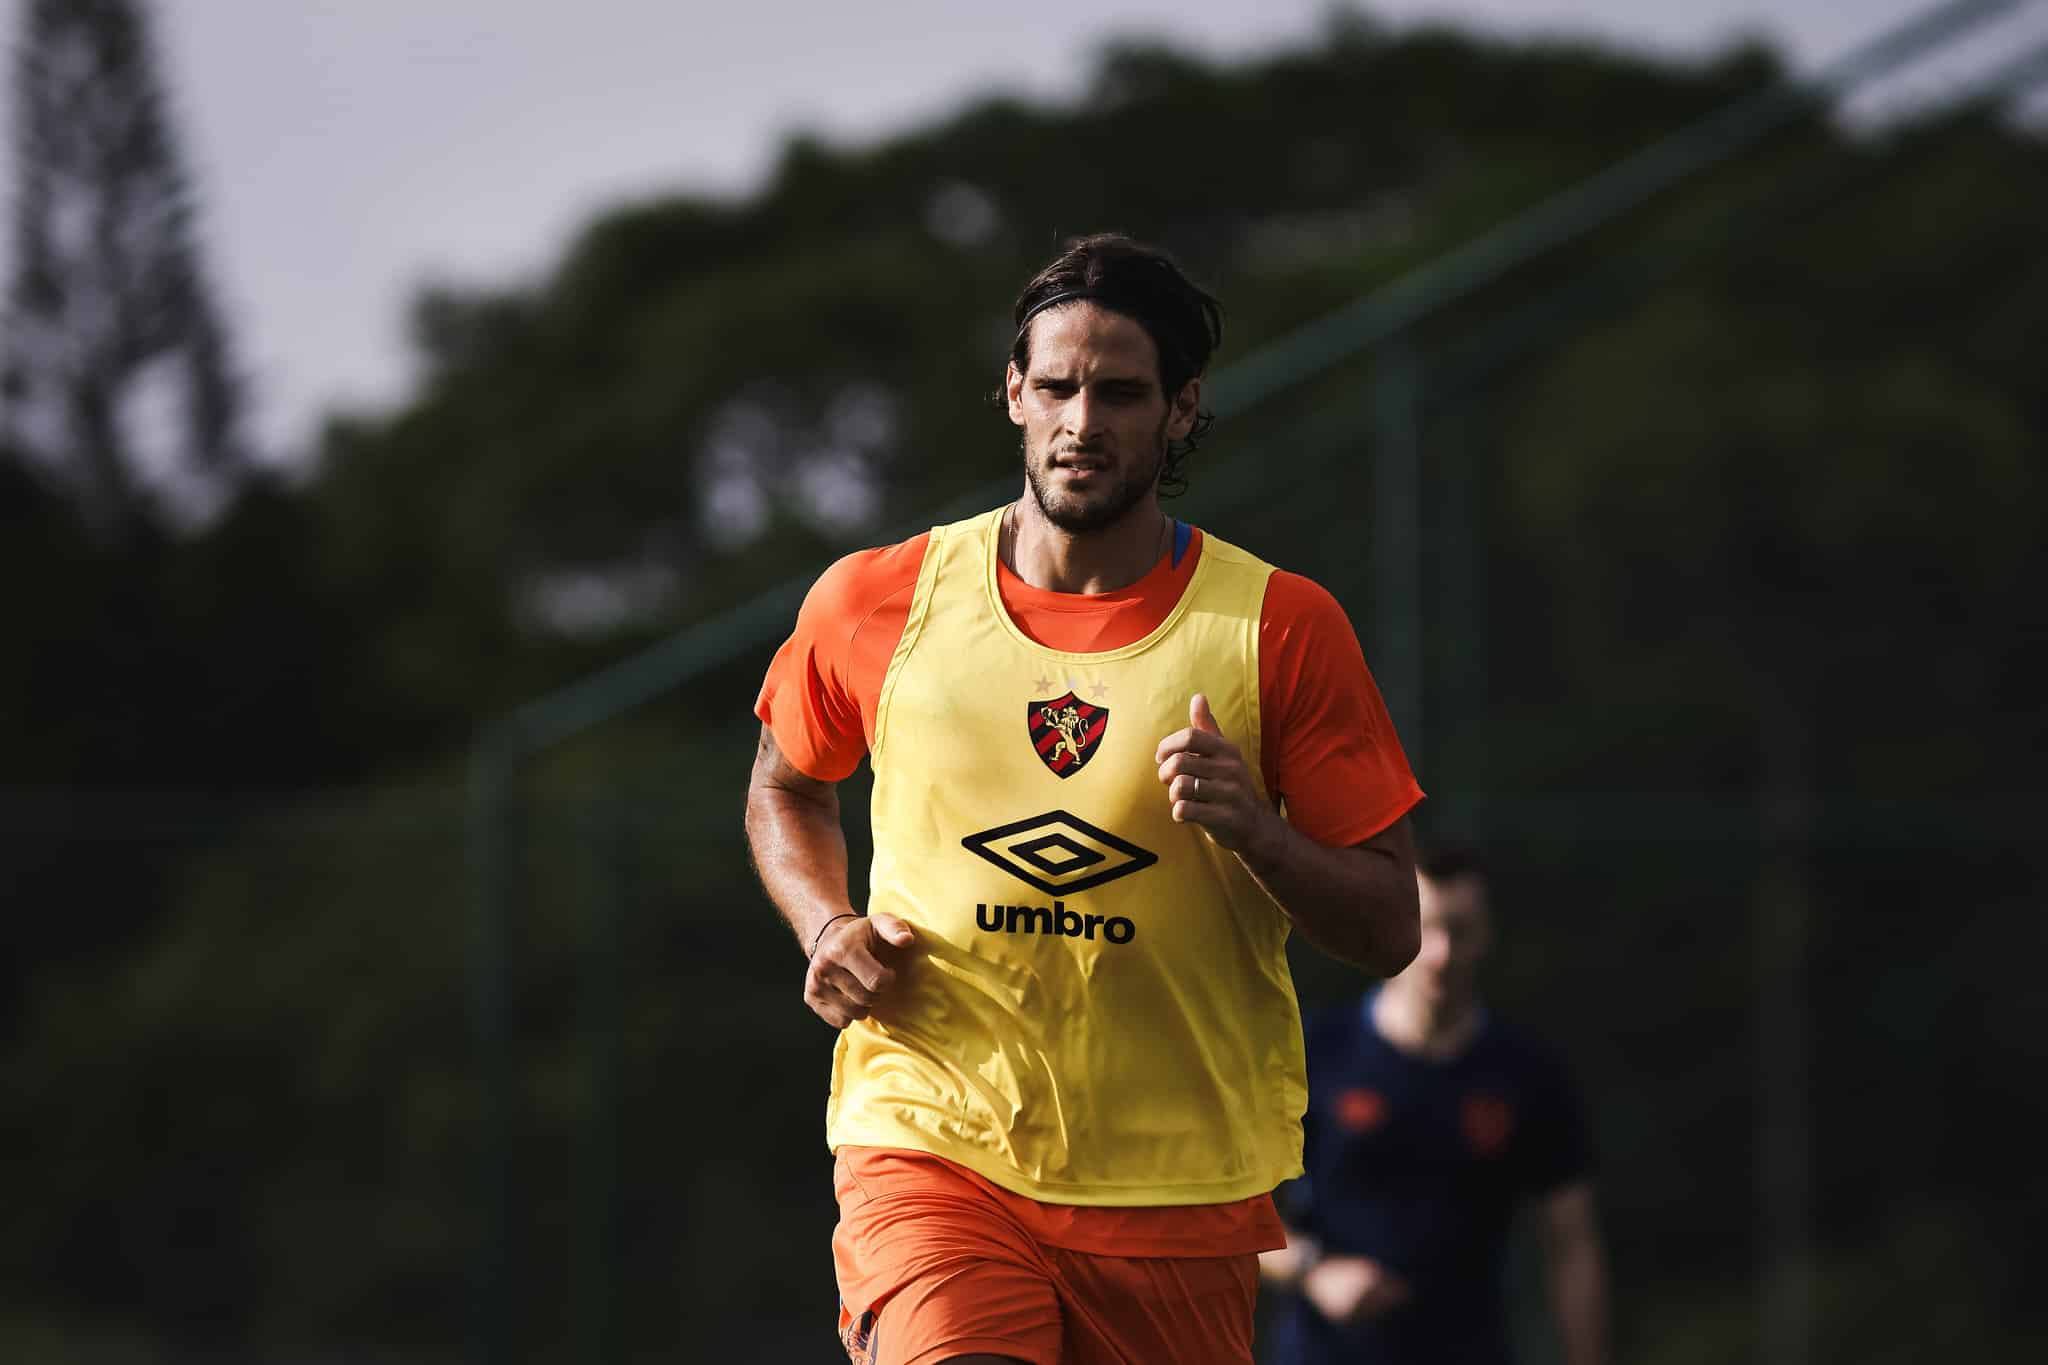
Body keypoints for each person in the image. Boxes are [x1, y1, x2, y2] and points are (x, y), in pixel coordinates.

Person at [744, 233, 1424, 1365]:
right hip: (933, 1143)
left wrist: (1258, 834)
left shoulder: (1279, 627)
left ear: (1180, 408)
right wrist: (826, 926)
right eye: (1056, 387)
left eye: (1120, 393)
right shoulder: (878, 599)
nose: (1081, 422)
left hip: (1178, 1187)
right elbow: (785, 785)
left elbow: (1392, 925)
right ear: (1014, 392)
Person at [1260, 849, 1609, 1365]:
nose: (1441, 953)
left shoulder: (1527, 1073)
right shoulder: (1315, 1052)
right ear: (1392, 927)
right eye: (1425, 928)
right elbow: (1241, 1213)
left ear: (1487, 934)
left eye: (1460, 931)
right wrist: (1313, 1271)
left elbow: (1571, 1243)